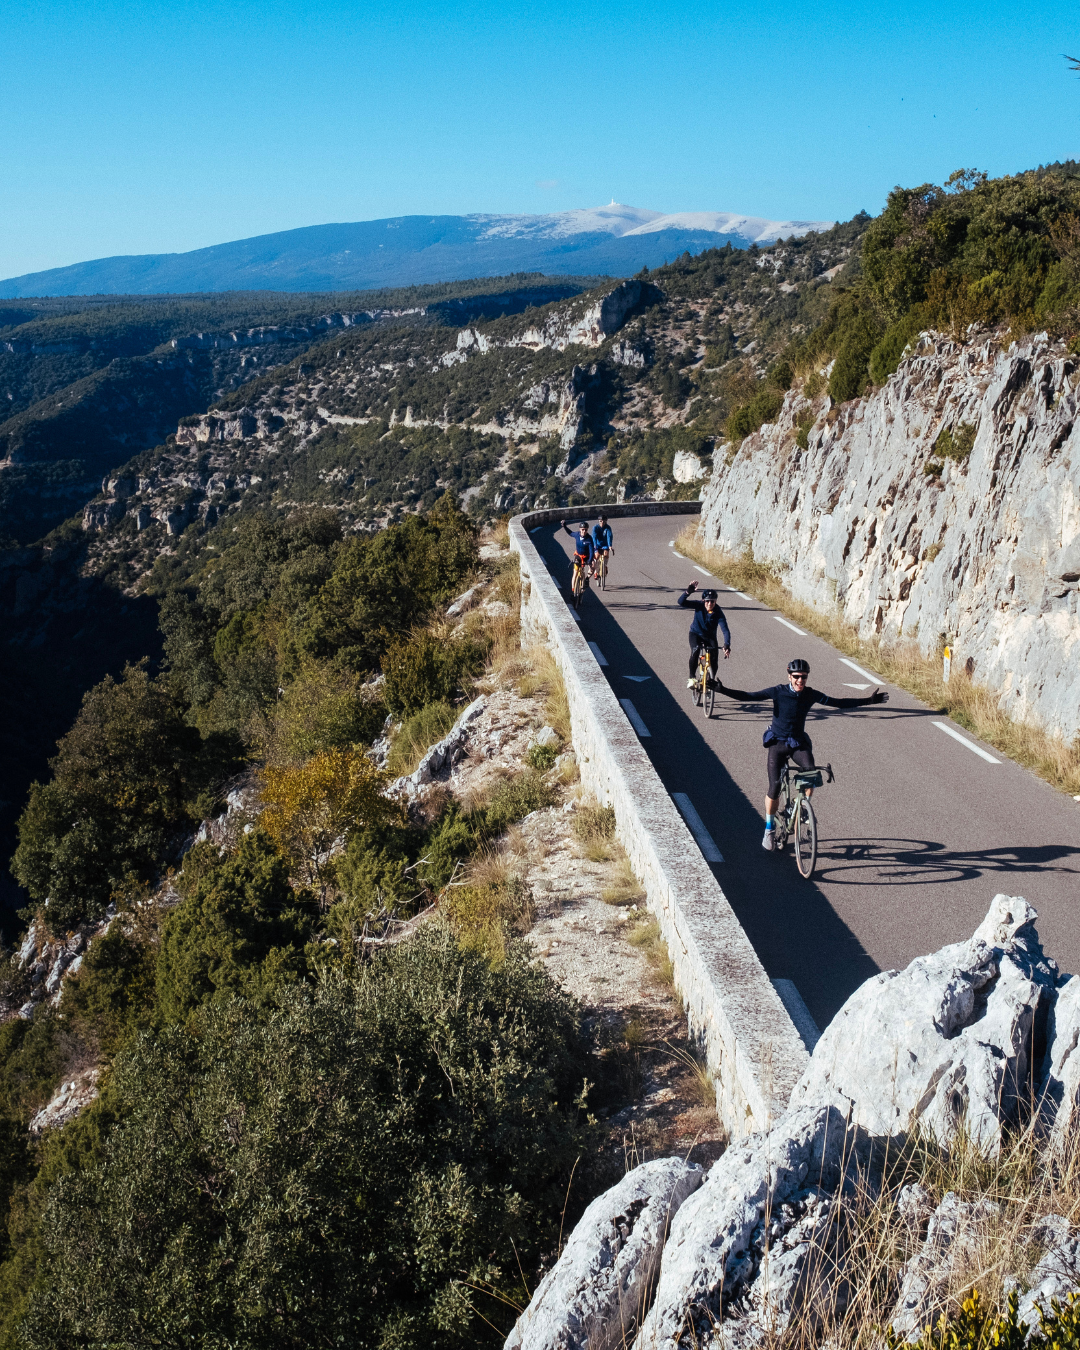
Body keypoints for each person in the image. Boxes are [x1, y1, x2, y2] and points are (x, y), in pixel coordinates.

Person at [713, 658, 888, 850]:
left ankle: (799, 807)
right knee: (775, 786)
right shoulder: (778, 692)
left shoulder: (810, 694)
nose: (800, 680)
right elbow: (748, 696)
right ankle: (769, 828)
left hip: (798, 743)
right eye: (796, 677)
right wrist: (723, 690)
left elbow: (838, 703)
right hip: (778, 743)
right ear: (789, 676)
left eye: (803, 677)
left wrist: (869, 701)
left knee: (811, 774)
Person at [677, 580, 730, 688]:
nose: (710, 604)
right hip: (695, 633)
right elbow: (681, 602)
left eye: (712, 601)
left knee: (714, 658)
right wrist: (688, 592)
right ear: (703, 600)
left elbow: (725, 630)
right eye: (707, 601)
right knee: (695, 650)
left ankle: (711, 680)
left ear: (715, 602)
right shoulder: (698, 605)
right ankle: (692, 678)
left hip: (710, 637)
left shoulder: (718, 612)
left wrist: (727, 645)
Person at [561, 519, 595, 589]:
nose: (584, 531)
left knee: (592, 568)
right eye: (582, 529)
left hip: (587, 556)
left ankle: (587, 579)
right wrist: (565, 526)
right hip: (578, 556)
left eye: (586, 530)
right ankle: (573, 592)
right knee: (575, 573)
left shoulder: (589, 539)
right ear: (580, 529)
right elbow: (570, 533)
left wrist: (590, 560)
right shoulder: (577, 535)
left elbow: (591, 550)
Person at [591, 514, 614, 579]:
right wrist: (594, 545)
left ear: (606, 521)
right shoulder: (595, 528)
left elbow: (609, 536)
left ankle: (605, 566)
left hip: (605, 545)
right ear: (599, 521)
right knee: (597, 556)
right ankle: (596, 571)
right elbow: (594, 537)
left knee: (606, 555)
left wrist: (610, 546)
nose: (602, 523)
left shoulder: (608, 527)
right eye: (601, 521)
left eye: (604, 521)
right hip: (597, 545)